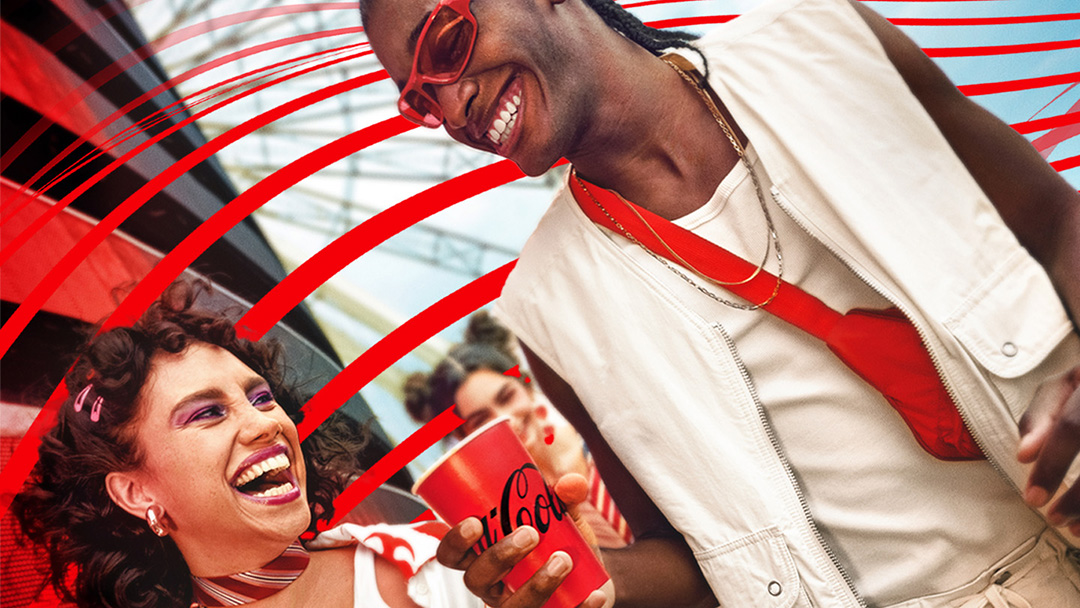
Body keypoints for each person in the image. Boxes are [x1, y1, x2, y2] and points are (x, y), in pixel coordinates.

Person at [359, 0, 1080, 606]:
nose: (453, 108)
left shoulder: (825, 45)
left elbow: (1055, 221)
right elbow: (685, 560)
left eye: (447, 45)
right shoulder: (547, 306)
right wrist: (579, 575)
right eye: (420, 97)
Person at [12, 281, 488, 608]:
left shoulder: (450, 560)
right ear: (137, 493)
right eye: (206, 413)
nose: (264, 425)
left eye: (261, 397)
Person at [403, 311, 633, 548]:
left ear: (527, 386)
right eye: (481, 421)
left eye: (507, 397)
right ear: (463, 438)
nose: (507, 421)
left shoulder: (606, 438)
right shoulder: (514, 528)